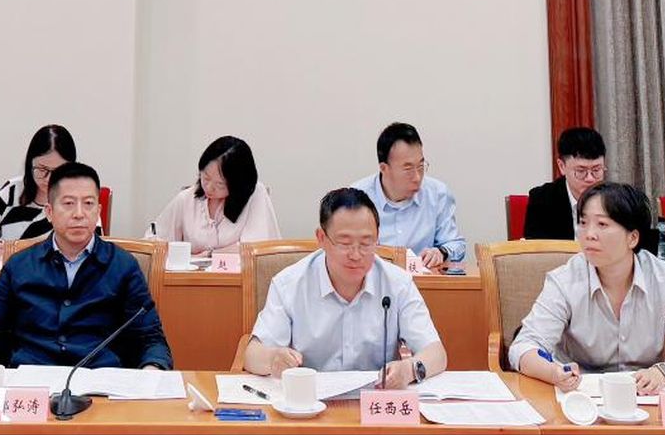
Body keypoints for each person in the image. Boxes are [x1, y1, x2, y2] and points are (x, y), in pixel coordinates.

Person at [0, 162, 171, 369]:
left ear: (98, 211)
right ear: (49, 212)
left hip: (99, 382)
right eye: (68, 203)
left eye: (88, 204)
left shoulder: (123, 266)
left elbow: (151, 339)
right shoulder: (19, 266)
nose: (79, 213)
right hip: (31, 380)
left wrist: (152, 370)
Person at [510, 182, 665, 392]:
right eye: (583, 222)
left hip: (643, 394)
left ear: (632, 238)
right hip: (580, 397)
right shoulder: (564, 280)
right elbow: (524, 347)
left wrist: (662, 372)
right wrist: (553, 373)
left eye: (602, 224)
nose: (589, 234)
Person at [244, 187, 447, 386]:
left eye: (366, 243)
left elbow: (436, 353)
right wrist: (273, 358)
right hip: (309, 397)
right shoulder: (289, 284)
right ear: (321, 238)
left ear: (377, 238)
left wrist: (410, 369)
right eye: (344, 243)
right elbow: (252, 355)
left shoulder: (397, 283)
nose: (356, 255)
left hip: (374, 398)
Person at [350, 122, 465, 269]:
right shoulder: (356, 198)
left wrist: (442, 252)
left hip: (422, 281)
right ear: (384, 168)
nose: (417, 177)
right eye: (408, 169)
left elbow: (456, 244)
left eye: (421, 166)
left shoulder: (438, 194)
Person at [148, 135, 280, 255]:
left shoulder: (255, 194)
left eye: (220, 184)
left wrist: (210, 254)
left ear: (239, 184)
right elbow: (155, 240)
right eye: (206, 177)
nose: (209, 187)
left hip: (240, 274)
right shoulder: (187, 198)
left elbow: (256, 248)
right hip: (192, 274)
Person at [0, 124, 84, 259]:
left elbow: (97, 250)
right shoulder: (12, 191)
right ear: (30, 164)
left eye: (58, 171)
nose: (49, 179)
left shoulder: (82, 196)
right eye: (42, 169)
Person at [523, 127, 606, 241]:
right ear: (562, 166)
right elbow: (537, 249)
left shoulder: (618, 200)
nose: (590, 178)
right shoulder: (542, 199)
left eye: (596, 170)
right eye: (581, 171)